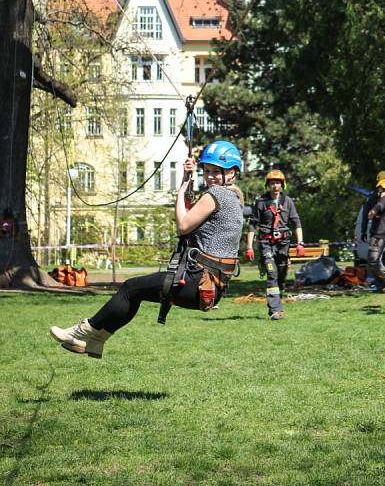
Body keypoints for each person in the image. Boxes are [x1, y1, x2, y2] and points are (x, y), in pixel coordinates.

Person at [49, 140, 244, 358]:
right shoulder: (234, 198)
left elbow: (182, 226)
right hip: (208, 285)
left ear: (232, 173)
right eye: (207, 171)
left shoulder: (215, 195)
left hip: (195, 281)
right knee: (135, 293)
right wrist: (187, 179)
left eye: (216, 172)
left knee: (130, 288)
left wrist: (181, 188)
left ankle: (83, 331)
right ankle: (96, 341)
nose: (210, 177)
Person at [246, 169, 304, 320]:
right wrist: (249, 246)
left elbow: (296, 222)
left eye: (278, 183)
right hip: (266, 243)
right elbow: (252, 225)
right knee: (272, 274)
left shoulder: (288, 201)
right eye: (272, 183)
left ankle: (278, 298)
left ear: (282, 184)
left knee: (281, 276)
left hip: (283, 244)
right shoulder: (260, 202)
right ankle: (275, 310)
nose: (275, 186)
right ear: (268, 185)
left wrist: (300, 243)